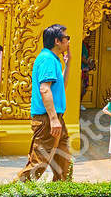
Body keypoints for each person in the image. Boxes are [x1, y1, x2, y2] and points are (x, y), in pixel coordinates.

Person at [20, 23, 72, 182]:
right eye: (66, 38)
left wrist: (68, 63)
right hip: (47, 119)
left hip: (55, 118)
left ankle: (63, 192)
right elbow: (44, 89)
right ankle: (14, 192)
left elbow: (61, 86)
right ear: (57, 41)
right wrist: (53, 119)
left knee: (63, 162)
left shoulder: (53, 60)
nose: (68, 41)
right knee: (38, 164)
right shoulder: (47, 59)